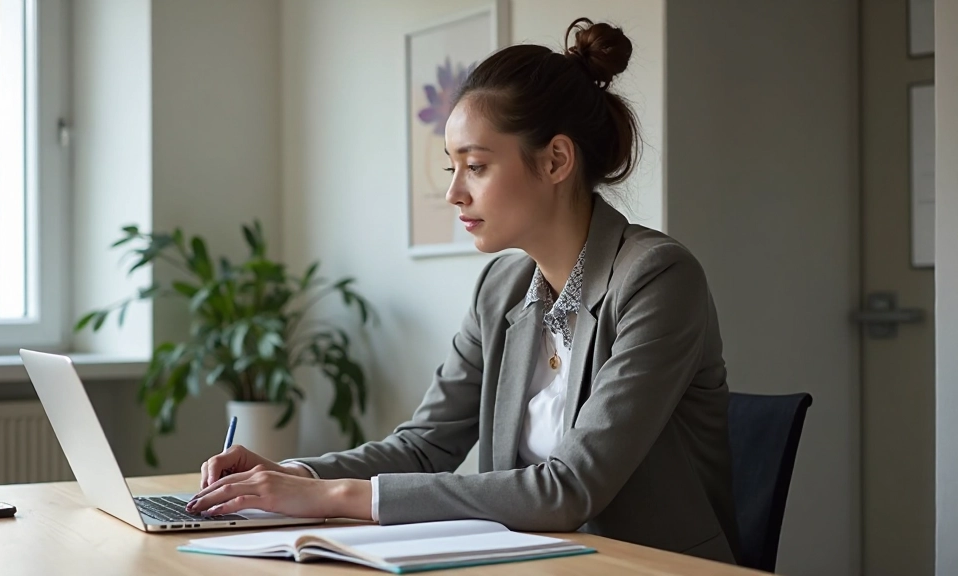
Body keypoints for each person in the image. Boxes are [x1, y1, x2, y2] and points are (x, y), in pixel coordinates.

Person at [187, 17, 740, 564]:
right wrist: (291, 475)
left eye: (475, 166)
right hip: (534, 561)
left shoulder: (659, 278)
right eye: (452, 167)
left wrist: (335, 497)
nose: (454, 193)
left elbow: (570, 488)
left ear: (555, 160)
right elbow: (424, 446)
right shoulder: (501, 288)